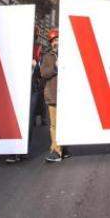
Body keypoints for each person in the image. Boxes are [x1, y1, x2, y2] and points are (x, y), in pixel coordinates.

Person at [6, 31, 47, 164]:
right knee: (13, 120)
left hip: (32, 89)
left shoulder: (38, 50)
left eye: (33, 36)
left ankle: (22, 150)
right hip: (16, 88)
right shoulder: (15, 47)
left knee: (27, 121)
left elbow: (43, 70)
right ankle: (14, 150)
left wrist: (36, 66)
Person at [41, 29, 67, 163]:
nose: (56, 43)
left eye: (58, 40)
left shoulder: (69, 54)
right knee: (54, 124)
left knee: (66, 123)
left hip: (66, 94)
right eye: (53, 41)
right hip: (53, 94)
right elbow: (43, 73)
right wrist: (55, 67)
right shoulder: (47, 57)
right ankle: (56, 150)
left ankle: (64, 148)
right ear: (51, 43)